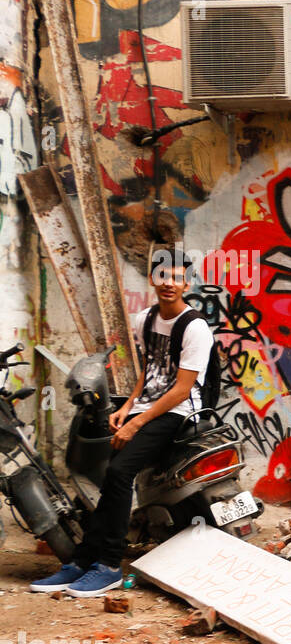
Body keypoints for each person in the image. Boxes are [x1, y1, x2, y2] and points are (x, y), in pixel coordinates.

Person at [31, 251, 214, 598]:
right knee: (107, 476)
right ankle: (84, 561)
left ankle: (109, 565)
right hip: (147, 406)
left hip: (178, 412)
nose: (169, 283)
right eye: (162, 275)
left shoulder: (195, 328)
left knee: (118, 473)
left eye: (177, 277)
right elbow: (151, 370)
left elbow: (181, 389)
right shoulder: (145, 318)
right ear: (152, 280)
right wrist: (126, 407)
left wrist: (136, 422)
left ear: (187, 283)